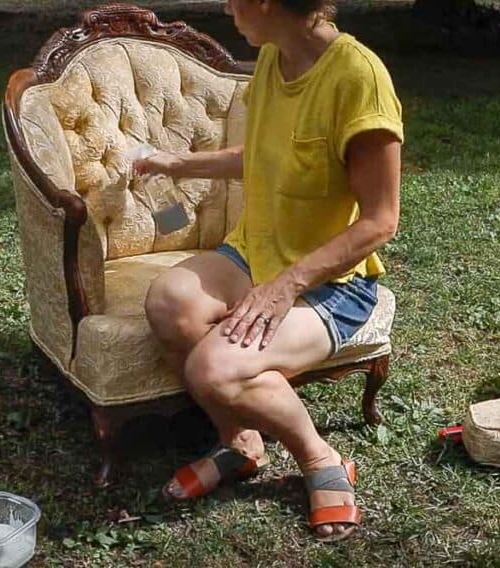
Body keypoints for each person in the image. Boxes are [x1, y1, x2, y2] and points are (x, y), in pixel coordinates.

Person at [134, 0, 403, 543]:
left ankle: (319, 456)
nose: (225, 7)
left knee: (213, 369)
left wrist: (286, 285)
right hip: (254, 255)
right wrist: (177, 163)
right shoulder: (272, 58)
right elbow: (262, 155)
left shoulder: (359, 78)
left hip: (333, 284)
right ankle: (239, 442)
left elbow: (380, 221)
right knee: (169, 303)